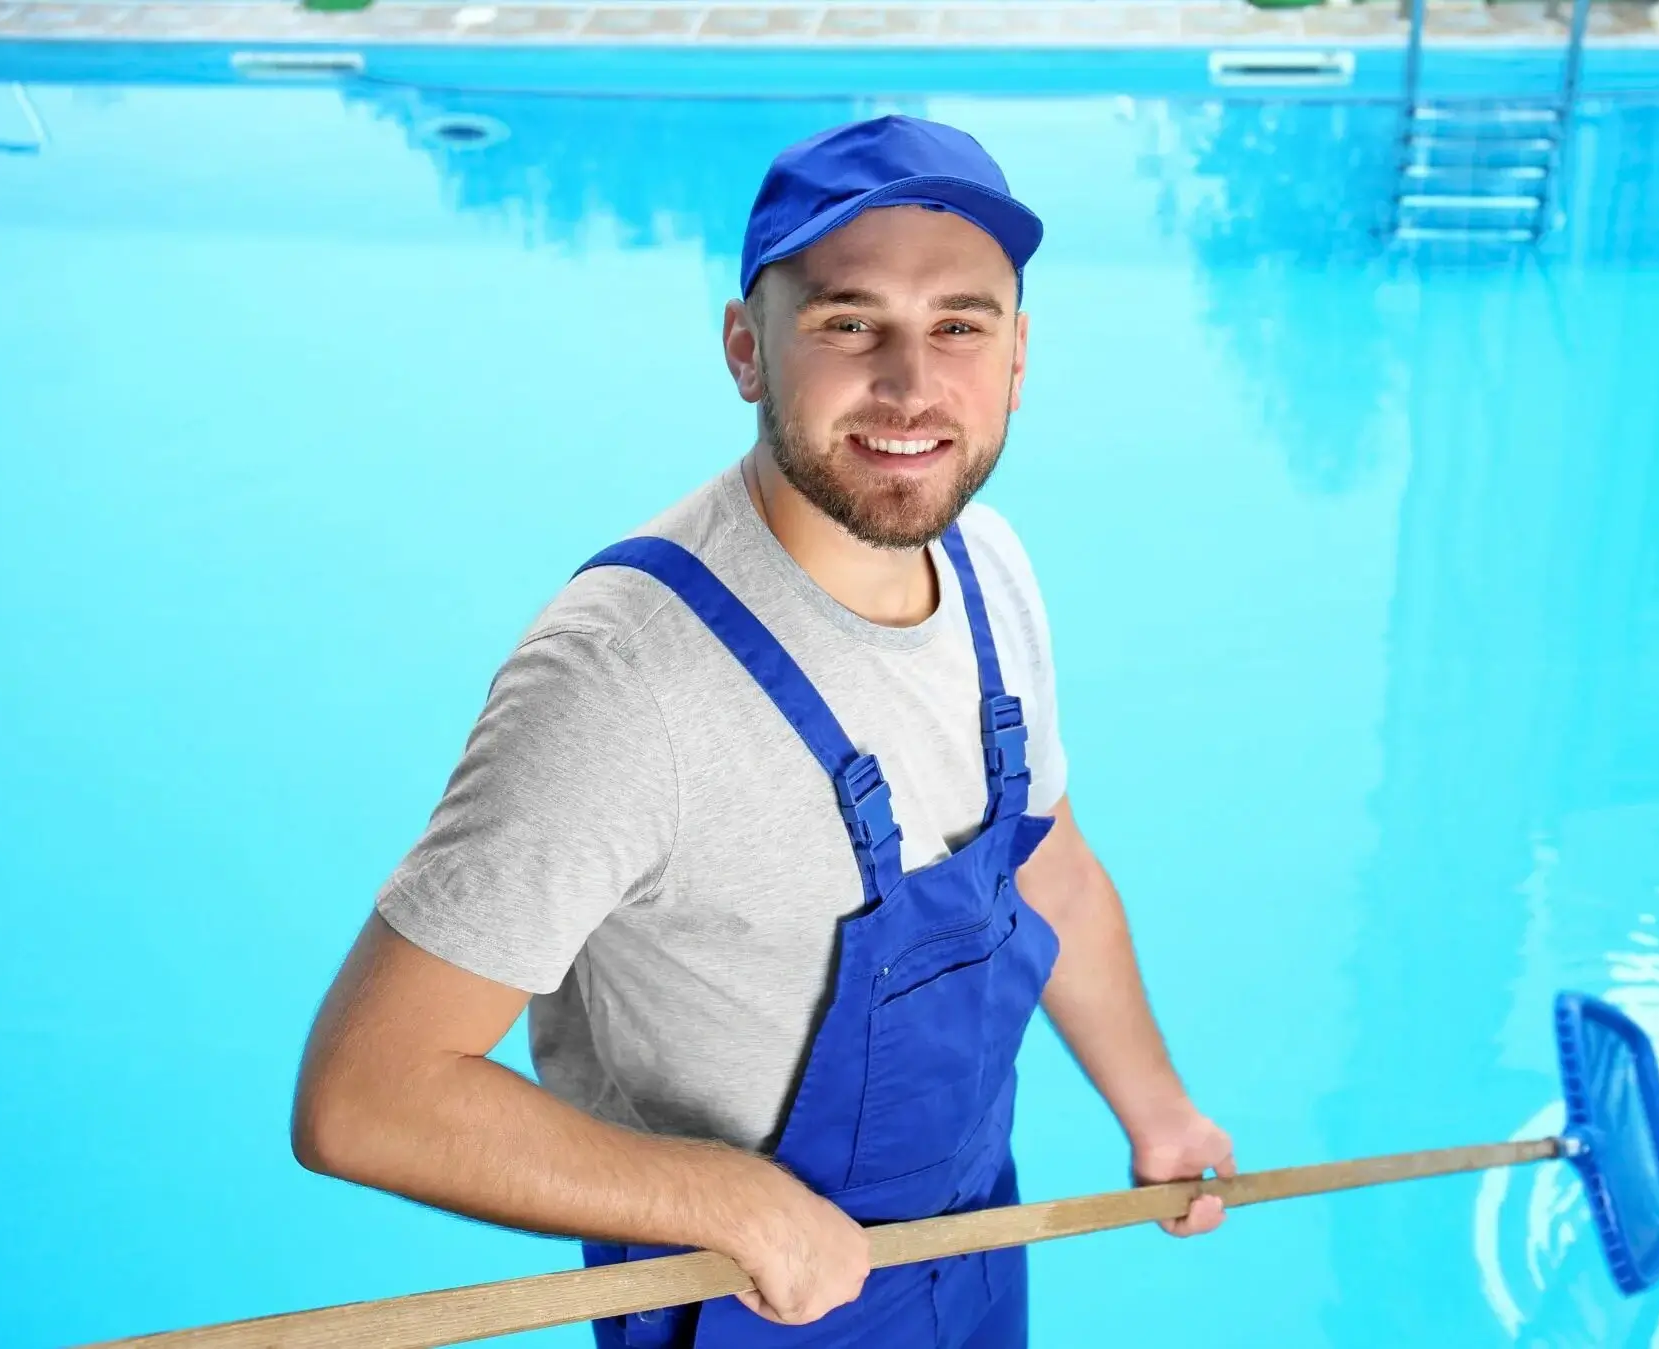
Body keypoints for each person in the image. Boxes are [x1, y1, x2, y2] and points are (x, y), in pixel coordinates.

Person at [290, 113, 1233, 1349]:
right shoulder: (620, 682)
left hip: (965, 1244)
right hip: (748, 1298)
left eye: (959, 323)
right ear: (746, 348)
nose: (910, 385)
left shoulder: (989, 566)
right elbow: (366, 1097)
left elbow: (1043, 858)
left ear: (1016, 356)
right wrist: (716, 1196)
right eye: (849, 322)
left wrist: (1151, 1101)